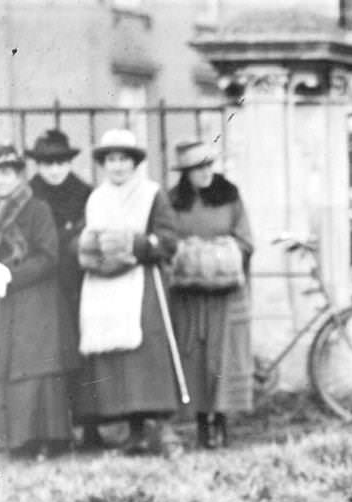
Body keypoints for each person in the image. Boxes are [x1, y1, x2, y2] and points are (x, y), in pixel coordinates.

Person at [75, 129, 183, 456]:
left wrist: (135, 243)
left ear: (134, 163)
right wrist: (89, 248)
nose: (118, 166)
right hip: (105, 283)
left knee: (146, 355)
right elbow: (88, 238)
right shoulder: (97, 198)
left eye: (123, 159)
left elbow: (169, 240)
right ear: (104, 164)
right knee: (117, 359)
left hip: (141, 279)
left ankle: (162, 430)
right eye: (111, 159)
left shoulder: (151, 194)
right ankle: (132, 431)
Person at [0, 144, 74, 459]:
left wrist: (10, 274)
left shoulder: (36, 209)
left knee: (33, 365)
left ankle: (46, 438)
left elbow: (48, 256)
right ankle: (14, 437)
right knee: (2, 364)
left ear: (18, 175)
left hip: (34, 299)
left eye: (6, 173)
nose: (0, 180)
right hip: (0, 302)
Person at [167, 139, 253, 450]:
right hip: (190, 295)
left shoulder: (230, 196)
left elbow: (246, 240)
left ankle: (223, 423)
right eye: (196, 168)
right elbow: (168, 238)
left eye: (207, 166)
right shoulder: (173, 201)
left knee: (223, 357)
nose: (204, 173)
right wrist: (190, 256)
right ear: (186, 173)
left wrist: (221, 256)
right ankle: (202, 425)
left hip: (224, 293)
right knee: (197, 357)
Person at [25, 128, 98, 449]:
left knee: (85, 353)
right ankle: (54, 428)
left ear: (70, 162)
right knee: (50, 355)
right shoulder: (27, 196)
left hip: (81, 283)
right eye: (46, 163)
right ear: (37, 165)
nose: (54, 170)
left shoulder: (85, 193)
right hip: (43, 286)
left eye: (60, 162)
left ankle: (91, 426)